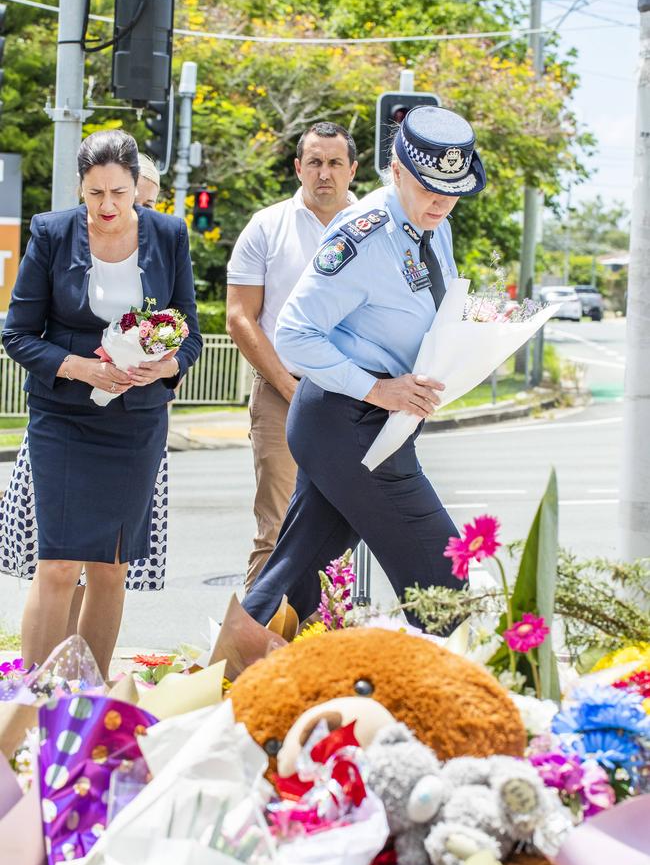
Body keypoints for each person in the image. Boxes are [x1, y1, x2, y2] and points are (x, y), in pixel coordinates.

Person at [213, 105, 486, 677]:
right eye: (429, 188)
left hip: (375, 425)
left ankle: (221, 689)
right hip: (346, 421)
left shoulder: (436, 226)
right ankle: (477, 691)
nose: (441, 201)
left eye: (452, 191)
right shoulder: (362, 235)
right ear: (395, 171)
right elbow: (294, 333)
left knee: (296, 572)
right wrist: (378, 389)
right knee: (447, 579)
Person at [1, 129, 202, 676]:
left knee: (111, 568)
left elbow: (191, 332)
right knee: (59, 563)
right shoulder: (50, 233)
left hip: (135, 426)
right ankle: (36, 699)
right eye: (95, 193)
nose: (108, 206)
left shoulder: (169, 234)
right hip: (62, 417)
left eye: (118, 191)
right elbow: (17, 334)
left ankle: (85, 697)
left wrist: (168, 365)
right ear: (80, 189)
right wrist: (82, 367)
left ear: (137, 185)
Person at [226, 121, 357, 592]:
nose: (325, 173)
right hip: (282, 392)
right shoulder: (266, 226)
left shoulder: (379, 226)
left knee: (342, 533)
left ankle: (328, 650)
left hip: (357, 398)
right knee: (276, 531)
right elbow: (240, 317)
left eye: (335, 163)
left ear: (352, 170)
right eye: (316, 162)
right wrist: (286, 385)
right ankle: (257, 656)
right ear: (299, 168)